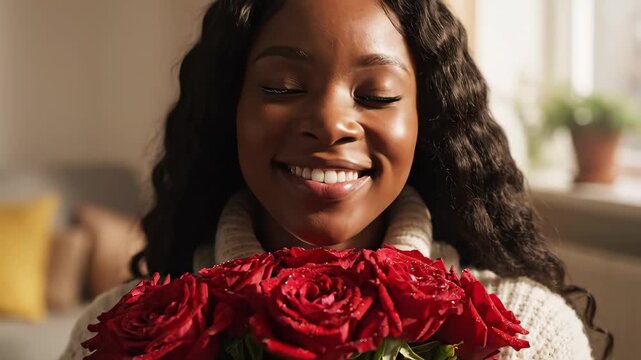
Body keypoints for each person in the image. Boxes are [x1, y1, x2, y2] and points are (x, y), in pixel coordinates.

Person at [60, 0, 612, 359]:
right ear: (230, 109)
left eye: (376, 96)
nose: (329, 123)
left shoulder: (525, 333)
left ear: (428, 121)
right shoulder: (118, 331)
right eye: (280, 86)